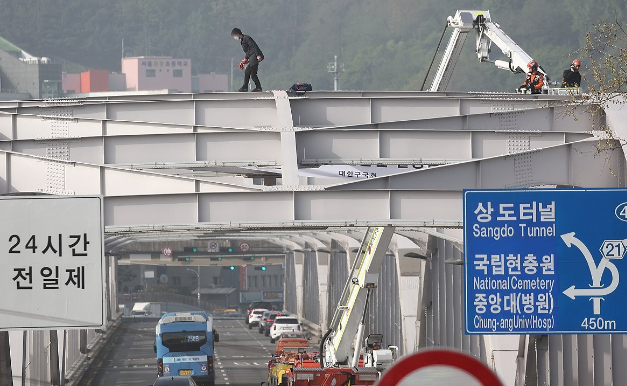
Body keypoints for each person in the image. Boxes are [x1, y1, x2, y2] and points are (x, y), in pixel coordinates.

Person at [231, 28, 264, 92]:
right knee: (253, 74)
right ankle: (258, 87)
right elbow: (248, 51)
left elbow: (254, 46)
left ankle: (245, 87)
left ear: (238, 33)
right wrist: (245, 59)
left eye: (234, 35)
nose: (234, 37)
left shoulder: (247, 38)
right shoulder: (242, 41)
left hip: (254, 56)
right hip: (251, 57)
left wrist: (258, 55)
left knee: (248, 71)